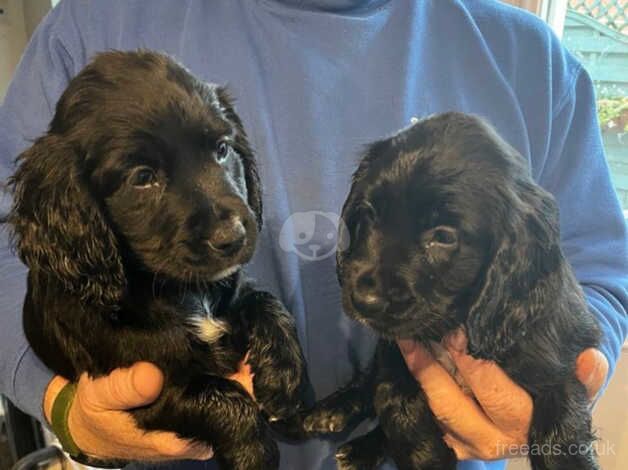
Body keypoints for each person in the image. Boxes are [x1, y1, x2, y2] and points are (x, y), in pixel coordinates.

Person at [0, 1, 626, 469]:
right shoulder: (90, 25)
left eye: (222, 150)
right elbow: (11, 250)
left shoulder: (531, 57)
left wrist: (545, 391)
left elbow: (598, 271)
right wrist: (58, 402)